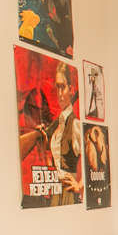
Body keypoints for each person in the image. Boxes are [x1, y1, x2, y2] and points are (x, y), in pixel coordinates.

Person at [49, 60, 83, 204]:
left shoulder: (75, 124)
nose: (59, 93)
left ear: (71, 89)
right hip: (56, 191)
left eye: (63, 87)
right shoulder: (58, 125)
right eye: (57, 87)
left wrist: (79, 185)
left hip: (68, 193)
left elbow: (94, 164)